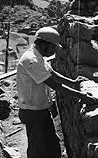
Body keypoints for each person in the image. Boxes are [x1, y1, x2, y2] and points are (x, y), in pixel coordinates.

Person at [16, 27, 93, 158]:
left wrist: (73, 82)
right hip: (33, 111)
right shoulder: (31, 60)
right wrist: (80, 95)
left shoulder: (39, 57)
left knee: (52, 145)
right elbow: (54, 84)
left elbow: (53, 74)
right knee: (37, 149)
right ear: (43, 43)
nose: (53, 51)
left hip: (41, 109)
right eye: (52, 48)